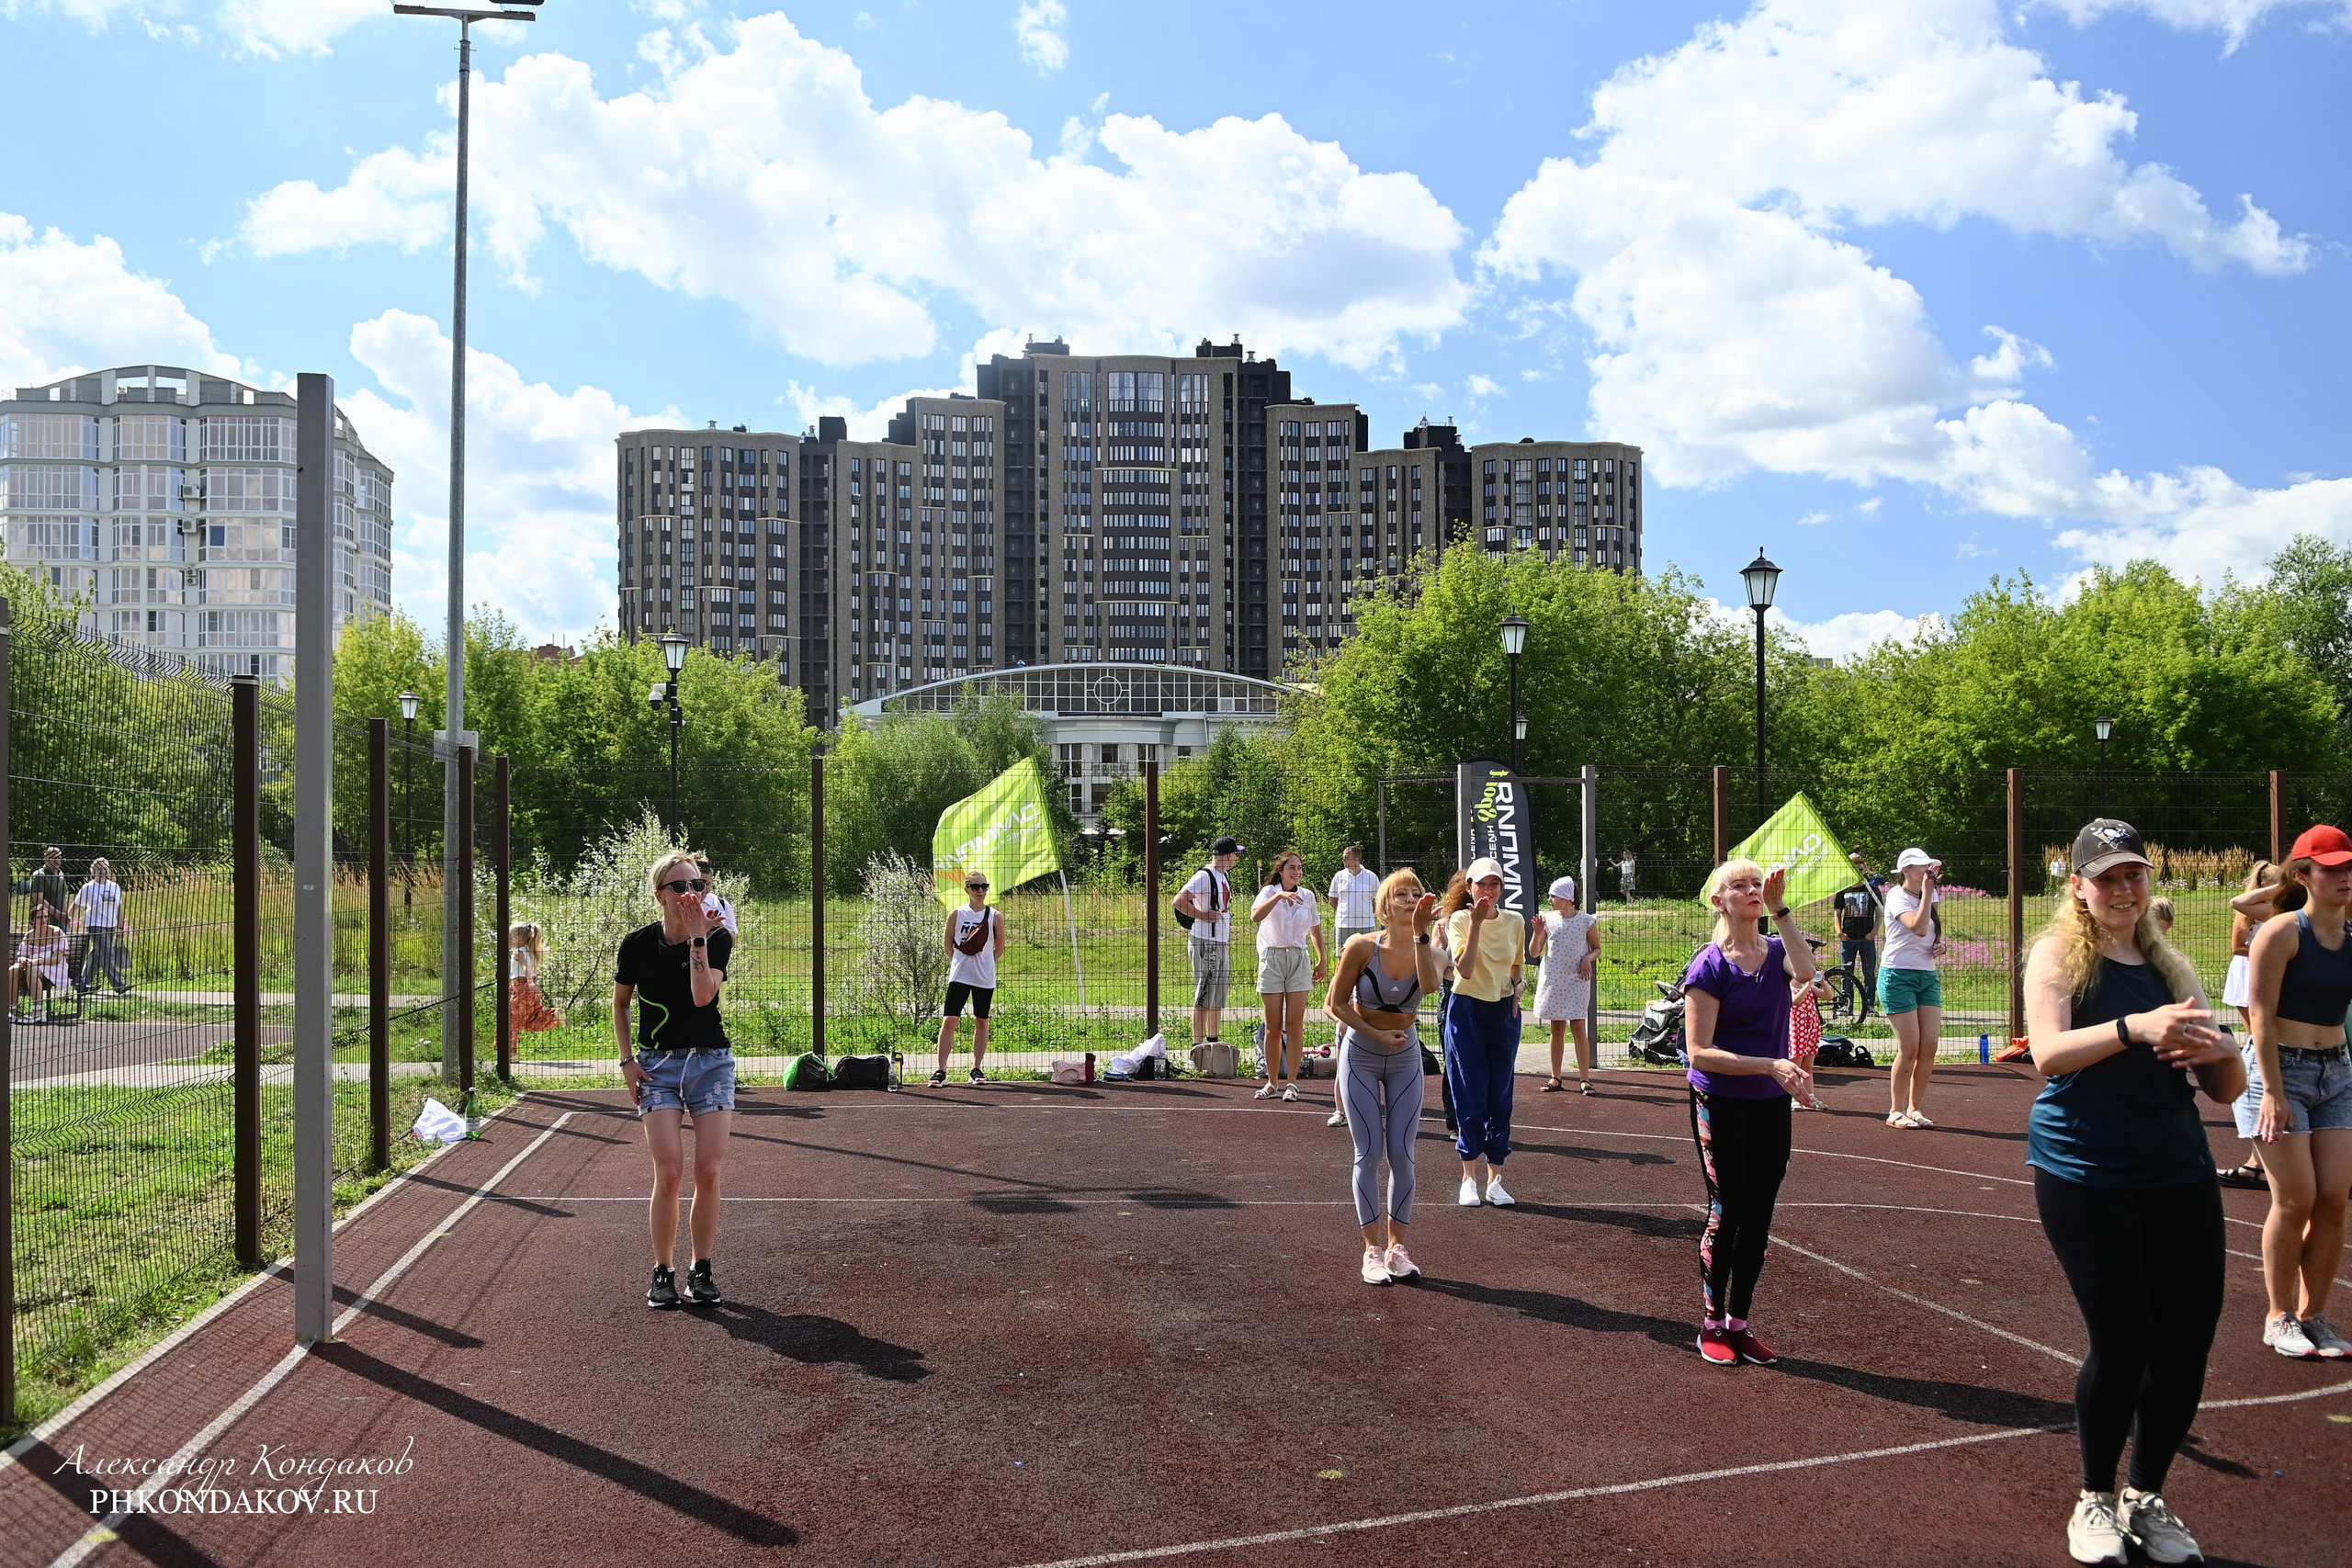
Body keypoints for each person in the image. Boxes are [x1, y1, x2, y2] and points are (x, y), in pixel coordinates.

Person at [2022, 818, 2243, 1568]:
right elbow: (2048, 1055)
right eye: (2107, 876)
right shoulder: (2056, 955)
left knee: (2186, 1342)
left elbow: (2223, 1089)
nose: (2122, 888)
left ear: (2148, 884)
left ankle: (2145, 1495)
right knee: (2122, 1340)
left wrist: (2226, 1050)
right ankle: (2093, 1497)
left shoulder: (2173, 966)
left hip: (2175, 1164)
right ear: (2078, 887)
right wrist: (2134, 1026)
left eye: (2133, 875)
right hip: (2086, 1168)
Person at [1681, 858, 1815, 1367]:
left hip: (1769, 1101)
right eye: (1739, 885)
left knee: (1760, 1213)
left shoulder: (1779, 951)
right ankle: (1711, 1323)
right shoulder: (1709, 966)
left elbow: (1806, 974)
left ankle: (1739, 1321)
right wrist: (1769, 1064)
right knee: (1728, 1209)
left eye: (1757, 883)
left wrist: (1782, 911)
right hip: (1720, 1100)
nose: (1752, 890)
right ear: (1719, 900)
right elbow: (1699, 1051)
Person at [2240, 825, 2352, 1362]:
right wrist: (2271, 1093)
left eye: (2349, 867)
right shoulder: (2283, 932)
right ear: (2304, 875)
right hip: (2277, 1071)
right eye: (2332, 868)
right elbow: (2259, 1016)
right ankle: (2279, 1316)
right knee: (2295, 1197)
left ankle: (2314, 1315)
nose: (2345, 876)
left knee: (2333, 1200)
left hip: (2337, 1072)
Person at [614, 848, 736, 1310]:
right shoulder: (637, 944)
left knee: (708, 1171)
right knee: (669, 1173)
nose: (691, 893)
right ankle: (662, 1269)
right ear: (659, 895)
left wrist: (699, 940)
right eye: (679, 886)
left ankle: (700, 1267)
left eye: (697, 885)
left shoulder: (717, 937)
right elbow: (621, 1003)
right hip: (657, 1066)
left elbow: (703, 998)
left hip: (711, 1063)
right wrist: (627, 1059)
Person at [1325, 869, 1444, 1286]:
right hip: (1361, 1053)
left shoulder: (1427, 944)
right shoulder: (1360, 946)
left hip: (1406, 1058)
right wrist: (1374, 1033)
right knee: (1369, 1152)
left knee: (1403, 1153)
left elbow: (1430, 987)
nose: (1411, 900)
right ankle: (1371, 1251)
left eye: (1417, 894)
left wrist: (1422, 935)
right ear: (1385, 904)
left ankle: (1397, 1249)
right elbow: (1334, 1004)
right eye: (1402, 895)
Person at [1442, 857, 1525, 1206]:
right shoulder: (1459, 919)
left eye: (1494, 885)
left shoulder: (1515, 921)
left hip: (1503, 1012)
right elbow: (1463, 966)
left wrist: (1520, 985)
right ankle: (1468, 1179)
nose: (1488, 891)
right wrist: (1476, 924)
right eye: (1481, 884)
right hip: (1467, 1010)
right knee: (1470, 1092)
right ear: (1469, 887)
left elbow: (1516, 963)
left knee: (1500, 1094)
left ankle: (1495, 1179)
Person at [2220, 862, 2284, 1189]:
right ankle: (2256, 1160)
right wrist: (2266, 951)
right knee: (2256, 1038)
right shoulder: (2252, 911)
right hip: (2249, 969)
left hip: (2269, 973)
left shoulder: (2284, 911)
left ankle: (2257, 1161)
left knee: (2261, 1041)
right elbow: (2237, 946)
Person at [1250, 851, 1328, 1101]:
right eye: (1292, 868)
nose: (1297, 872)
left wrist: (1322, 959)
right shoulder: (1269, 892)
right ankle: (1272, 1082)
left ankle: (1292, 1083)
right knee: (1273, 1026)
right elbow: (1256, 916)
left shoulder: (1308, 896)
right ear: (1281, 870)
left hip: (1298, 958)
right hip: (1272, 958)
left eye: (1300, 868)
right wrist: (1280, 896)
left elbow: (1315, 929)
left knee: (1295, 1025)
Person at [1879, 846, 1945, 1129]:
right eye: (1922, 867)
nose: (1927, 871)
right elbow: (1917, 927)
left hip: (1927, 975)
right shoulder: (1896, 896)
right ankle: (1896, 1111)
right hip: (1897, 976)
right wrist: (1928, 892)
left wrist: (1939, 945)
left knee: (1929, 1047)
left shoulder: (1931, 894)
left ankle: (1915, 1108)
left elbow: (1930, 931)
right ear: (1906, 870)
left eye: (1929, 866)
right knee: (1910, 1047)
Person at [933, 873, 1006, 1087]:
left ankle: (976, 1068)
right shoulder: (956, 914)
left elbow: (999, 948)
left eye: (984, 885)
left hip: (984, 977)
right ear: (966, 889)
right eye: (975, 886)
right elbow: (948, 945)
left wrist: (985, 964)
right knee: (949, 1020)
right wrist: (961, 962)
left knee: (981, 1020)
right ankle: (941, 1071)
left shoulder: (995, 916)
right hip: (960, 975)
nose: (980, 890)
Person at [1529, 874, 1600, 1094]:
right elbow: (1534, 952)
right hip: (1554, 981)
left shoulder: (1586, 921)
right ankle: (1555, 1077)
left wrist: (1587, 958)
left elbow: (1597, 948)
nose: (1550, 899)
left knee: (1579, 1027)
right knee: (1557, 1028)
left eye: (1554, 895)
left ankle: (1585, 1079)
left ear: (1568, 898)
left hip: (1578, 980)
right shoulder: (1547, 920)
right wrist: (1537, 932)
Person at [1326, 846, 1380, 1128]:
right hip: (1345, 924)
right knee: (1344, 967)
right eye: (1347, 857)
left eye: (1355, 857)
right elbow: (1334, 901)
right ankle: (1341, 1108)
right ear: (1344, 859)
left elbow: (1376, 902)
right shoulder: (1339, 876)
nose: (1351, 861)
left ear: (1360, 858)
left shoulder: (1371, 877)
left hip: (1365, 924)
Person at [1174, 838, 1243, 1054]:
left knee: (1218, 996)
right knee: (1204, 994)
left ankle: (1212, 1043)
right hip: (1206, 942)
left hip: (1220, 943)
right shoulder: (1204, 876)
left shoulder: (1223, 876)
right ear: (1228, 855)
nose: (1237, 858)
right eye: (1235, 854)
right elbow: (1179, 900)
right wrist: (1202, 915)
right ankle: (1197, 1048)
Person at [70, 856, 132, 995]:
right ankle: (119, 984)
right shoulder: (88, 888)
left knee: (97, 955)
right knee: (107, 952)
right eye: (99, 868)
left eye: (105, 868)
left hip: (111, 925)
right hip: (94, 924)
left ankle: (82, 984)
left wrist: (121, 927)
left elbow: (119, 908)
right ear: (93, 871)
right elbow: (76, 906)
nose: (103, 871)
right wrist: (67, 920)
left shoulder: (114, 886)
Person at [1833, 854, 1887, 1003]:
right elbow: (1837, 913)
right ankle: (1847, 1003)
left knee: (1869, 972)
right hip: (1848, 938)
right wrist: (1839, 932)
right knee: (1846, 972)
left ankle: (1869, 1004)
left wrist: (1874, 932)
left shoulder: (1872, 890)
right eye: (1855, 867)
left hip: (1866, 938)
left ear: (1864, 870)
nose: (1858, 870)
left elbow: (1880, 913)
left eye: (1861, 867)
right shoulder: (1843, 890)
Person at [8, 904, 69, 1024]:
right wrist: (23, 960)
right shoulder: (29, 935)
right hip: (34, 965)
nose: (44, 920)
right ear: (32, 921)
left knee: (32, 970)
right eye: (40, 917)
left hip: (54, 967)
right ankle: (12, 1010)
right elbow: (22, 955)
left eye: (46, 917)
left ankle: (38, 1011)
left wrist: (38, 961)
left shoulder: (56, 932)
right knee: (13, 969)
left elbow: (57, 959)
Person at [508, 922, 565, 1032]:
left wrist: (529, 982)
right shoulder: (529, 952)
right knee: (530, 1022)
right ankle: (553, 1015)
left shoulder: (518, 953)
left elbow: (526, 966)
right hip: (531, 990)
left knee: (513, 1021)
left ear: (515, 938)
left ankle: (510, 1049)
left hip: (523, 989)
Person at [26, 846, 68, 930]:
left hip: (61, 923)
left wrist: (65, 916)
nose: (57, 861)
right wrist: (58, 914)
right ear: (45, 859)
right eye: (53, 858)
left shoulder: (61, 874)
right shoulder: (39, 875)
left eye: (59, 858)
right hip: (42, 923)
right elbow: (38, 900)